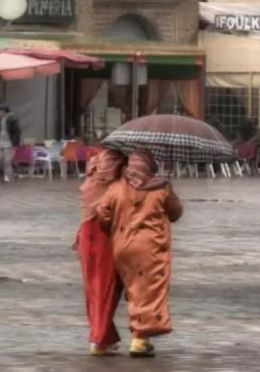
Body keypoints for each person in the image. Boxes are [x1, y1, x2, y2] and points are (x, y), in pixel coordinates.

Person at [97, 149, 183, 358]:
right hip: (151, 247)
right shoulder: (160, 187)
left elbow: (102, 213)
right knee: (148, 291)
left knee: (133, 289)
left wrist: (115, 229)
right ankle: (140, 340)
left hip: (122, 246)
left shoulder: (116, 188)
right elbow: (176, 212)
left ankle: (136, 333)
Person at [74, 149, 127, 356]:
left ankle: (104, 336)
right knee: (107, 286)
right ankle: (99, 339)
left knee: (93, 288)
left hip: (87, 233)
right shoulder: (118, 182)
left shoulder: (90, 179)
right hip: (107, 231)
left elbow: (86, 209)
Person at [0, 105, 21, 182]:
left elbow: (17, 131)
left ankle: (9, 175)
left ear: (4, 112)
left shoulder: (12, 119)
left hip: (9, 142)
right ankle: (2, 174)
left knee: (7, 160)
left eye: (0, 112)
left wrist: (15, 143)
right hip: (0, 142)